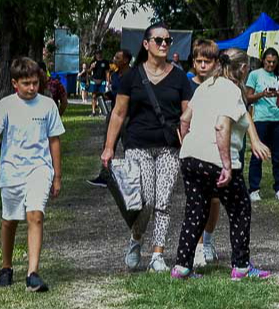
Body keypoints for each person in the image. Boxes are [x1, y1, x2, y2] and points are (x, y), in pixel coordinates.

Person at [171, 44, 272, 280]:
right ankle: (241, 267)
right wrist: (226, 165)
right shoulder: (232, 90)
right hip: (216, 159)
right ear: (244, 68)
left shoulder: (205, 86)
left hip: (190, 157)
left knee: (196, 210)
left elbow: (184, 120)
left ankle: (182, 267)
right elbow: (221, 125)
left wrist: (189, 144)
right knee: (239, 209)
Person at [102, 23, 193, 272]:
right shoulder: (132, 76)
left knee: (164, 200)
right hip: (138, 145)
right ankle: (136, 239)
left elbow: (187, 114)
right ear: (146, 44)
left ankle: (157, 255)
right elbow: (119, 114)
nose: (164, 44)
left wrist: (189, 141)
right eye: (158, 40)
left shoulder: (179, 78)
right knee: (145, 201)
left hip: (168, 147)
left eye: (168, 40)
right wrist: (109, 147)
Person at [0, 57, 65, 291]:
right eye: (26, 83)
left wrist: (57, 176)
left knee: (35, 216)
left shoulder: (48, 106)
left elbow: (54, 141)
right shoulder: (6, 105)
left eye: (35, 83)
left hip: (39, 170)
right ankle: (6, 267)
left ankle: (33, 273)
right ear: (14, 83)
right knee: (10, 220)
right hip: (11, 172)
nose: (31, 88)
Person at [188, 43, 223, 266]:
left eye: (207, 61)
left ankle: (207, 241)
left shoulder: (221, 87)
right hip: (194, 149)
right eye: (199, 61)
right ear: (193, 62)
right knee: (197, 200)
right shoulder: (186, 85)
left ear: (215, 63)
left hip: (216, 148)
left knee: (215, 200)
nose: (202, 65)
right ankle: (198, 247)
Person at [244, 47, 279, 201]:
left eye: (273, 62)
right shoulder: (255, 75)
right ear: (263, 60)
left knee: (278, 156)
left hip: (278, 120)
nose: (270, 65)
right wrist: (262, 94)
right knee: (257, 155)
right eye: (268, 61)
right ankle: (254, 189)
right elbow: (247, 98)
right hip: (260, 120)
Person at [87, 50, 132, 188]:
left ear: (126, 60)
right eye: (114, 56)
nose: (114, 59)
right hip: (114, 112)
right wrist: (109, 95)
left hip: (129, 115)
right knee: (108, 143)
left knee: (129, 147)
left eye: (117, 57)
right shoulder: (115, 75)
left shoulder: (133, 75)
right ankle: (105, 175)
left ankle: (131, 177)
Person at [84, 52, 109, 116]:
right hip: (94, 81)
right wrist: (91, 67)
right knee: (94, 96)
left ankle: (101, 111)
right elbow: (88, 72)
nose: (99, 55)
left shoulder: (105, 62)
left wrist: (108, 81)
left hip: (102, 81)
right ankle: (93, 111)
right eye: (97, 53)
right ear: (95, 55)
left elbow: (107, 72)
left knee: (102, 96)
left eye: (99, 53)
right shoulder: (93, 62)